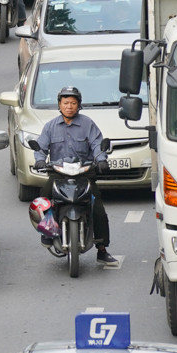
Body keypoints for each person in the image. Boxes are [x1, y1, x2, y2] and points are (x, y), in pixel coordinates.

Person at [36, 86, 117, 264]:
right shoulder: (50, 127)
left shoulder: (88, 124)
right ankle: (48, 232)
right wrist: (40, 160)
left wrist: (101, 159)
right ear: (59, 105)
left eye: (73, 103)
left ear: (78, 105)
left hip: (84, 175)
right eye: (65, 103)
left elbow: (97, 144)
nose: (69, 106)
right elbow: (41, 148)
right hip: (59, 175)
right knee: (43, 199)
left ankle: (102, 249)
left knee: (99, 210)